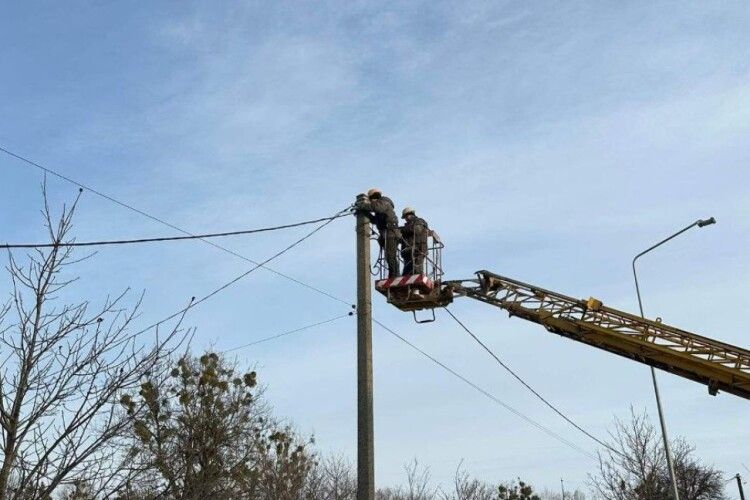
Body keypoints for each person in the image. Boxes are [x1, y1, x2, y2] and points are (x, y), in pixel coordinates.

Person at [355, 188, 400, 277]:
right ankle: (394, 274)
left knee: (391, 256)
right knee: (389, 256)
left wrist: (362, 205)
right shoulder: (381, 207)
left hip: (390, 233)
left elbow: (376, 207)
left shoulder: (384, 202)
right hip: (386, 234)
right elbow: (375, 220)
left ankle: (394, 275)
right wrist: (364, 213)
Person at [400, 207, 429, 275]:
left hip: (418, 250)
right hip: (408, 252)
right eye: (404, 217)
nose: (405, 219)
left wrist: (402, 229)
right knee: (406, 273)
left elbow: (417, 230)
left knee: (417, 271)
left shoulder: (419, 221)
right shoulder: (407, 226)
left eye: (406, 216)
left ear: (411, 214)